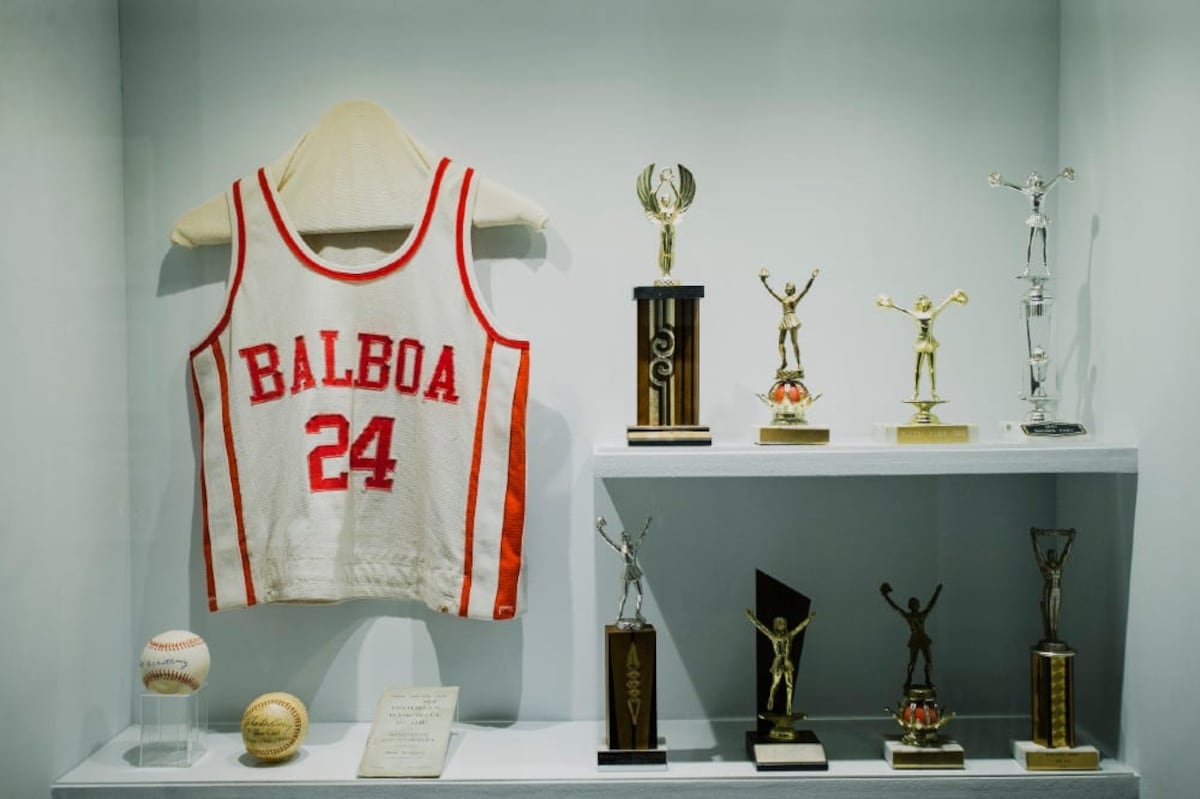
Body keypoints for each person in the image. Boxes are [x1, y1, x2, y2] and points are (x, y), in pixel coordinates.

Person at [877, 290, 968, 401]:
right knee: (917, 369)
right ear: (919, 303)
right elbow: (904, 310)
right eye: (921, 300)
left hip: (930, 342)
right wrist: (891, 305)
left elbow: (942, 306)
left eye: (925, 299)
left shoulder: (932, 313)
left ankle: (933, 392)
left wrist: (951, 297)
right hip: (920, 342)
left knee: (932, 369)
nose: (923, 301)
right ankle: (915, 392)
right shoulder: (916, 314)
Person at [989, 167, 1075, 276]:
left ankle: (1046, 268)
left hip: (1042, 218)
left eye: (1039, 181)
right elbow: (1015, 187)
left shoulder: (1044, 190)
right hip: (1034, 219)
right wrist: (1002, 182)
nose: (1038, 183)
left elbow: (1055, 181)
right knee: (1031, 243)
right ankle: (1027, 268)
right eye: (1036, 181)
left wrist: (1063, 175)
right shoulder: (1028, 192)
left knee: (1044, 244)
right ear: (1032, 181)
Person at [745, 609, 815, 717]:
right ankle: (771, 697)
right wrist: (751, 617)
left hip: (787, 661)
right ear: (775, 625)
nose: (781, 624)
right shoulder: (773, 636)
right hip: (777, 661)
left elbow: (799, 627)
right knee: (775, 684)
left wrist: (809, 619)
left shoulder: (789, 635)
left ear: (785, 625)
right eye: (779, 623)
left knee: (789, 685)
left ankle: (788, 705)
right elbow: (761, 627)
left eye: (782, 623)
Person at [880, 582, 943, 687]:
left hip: (917, 638)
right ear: (913, 606)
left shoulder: (913, 616)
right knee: (919, 661)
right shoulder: (917, 616)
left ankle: (917, 680)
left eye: (916, 603)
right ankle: (914, 680)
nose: (917, 605)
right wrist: (937, 592)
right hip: (920, 638)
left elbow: (896, 607)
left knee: (921, 661)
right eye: (915, 604)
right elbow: (931, 604)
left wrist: (937, 592)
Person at [595, 516, 652, 629]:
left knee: (640, 594)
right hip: (627, 572)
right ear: (622, 540)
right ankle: (619, 616)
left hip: (634, 571)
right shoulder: (620, 549)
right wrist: (600, 530)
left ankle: (637, 613)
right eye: (625, 538)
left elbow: (642, 536)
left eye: (628, 538)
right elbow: (608, 541)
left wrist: (647, 525)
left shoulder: (634, 548)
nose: (627, 539)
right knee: (624, 596)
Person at [760, 268, 819, 373]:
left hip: (792, 319)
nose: (788, 289)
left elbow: (805, 289)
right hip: (785, 319)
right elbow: (772, 292)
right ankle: (784, 361)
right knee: (780, 343)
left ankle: (799, 363)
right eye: (787, 287)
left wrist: (812, 278)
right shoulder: (783, 299)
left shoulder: (794, 298)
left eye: (790, 287)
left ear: (793, 289)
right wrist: (764, 282)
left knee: (794, 342)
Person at [1031, 527, 1076, 644]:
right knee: (1049, 613)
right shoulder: (1045, 567)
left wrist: (1071, 539)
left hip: (1057, 589)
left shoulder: (1059, 566)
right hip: (1049, 588)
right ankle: (1050, 636)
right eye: (1051, 555)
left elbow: (1066, 553)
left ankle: (1054, 635)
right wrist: (1034, 538)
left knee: (1056, 612)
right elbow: (1038, 554)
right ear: (1049, 556)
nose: (1054, 556)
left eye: (1055, 555)